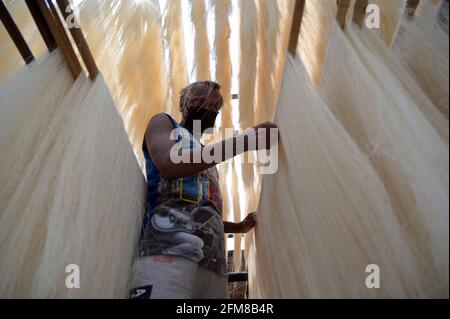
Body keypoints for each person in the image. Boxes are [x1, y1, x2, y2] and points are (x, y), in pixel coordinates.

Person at [130, 81, 277, 299]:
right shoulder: (163, 123)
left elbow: (198, 210)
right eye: (200, 99)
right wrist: (243, 141)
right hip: (167, 251)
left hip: (213, 265)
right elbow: (169, 165)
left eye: (215, 105)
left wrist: (237, 227)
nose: (209, 106)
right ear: (182, 102)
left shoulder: (207, 159)